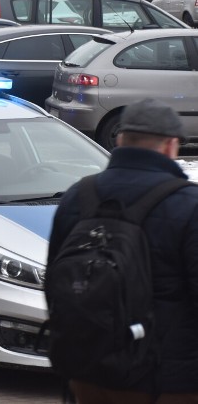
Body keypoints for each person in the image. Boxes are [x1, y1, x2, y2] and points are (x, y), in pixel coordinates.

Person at [48, 99, 198, 403]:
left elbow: (55, 281)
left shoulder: (78, 196)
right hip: (168, 383)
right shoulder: (189, 205)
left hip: (88, 375)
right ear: (170, 146)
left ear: (120, 140)